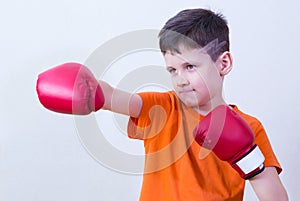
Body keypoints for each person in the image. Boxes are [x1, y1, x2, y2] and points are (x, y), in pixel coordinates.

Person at [36, 8, 288, 201]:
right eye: (172, 70)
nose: (180, 79)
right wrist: (92, 92)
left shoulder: (250, 126)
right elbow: (118, 99)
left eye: (189, 67)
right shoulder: (163, 109)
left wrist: (249, 160)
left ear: (223, 64)